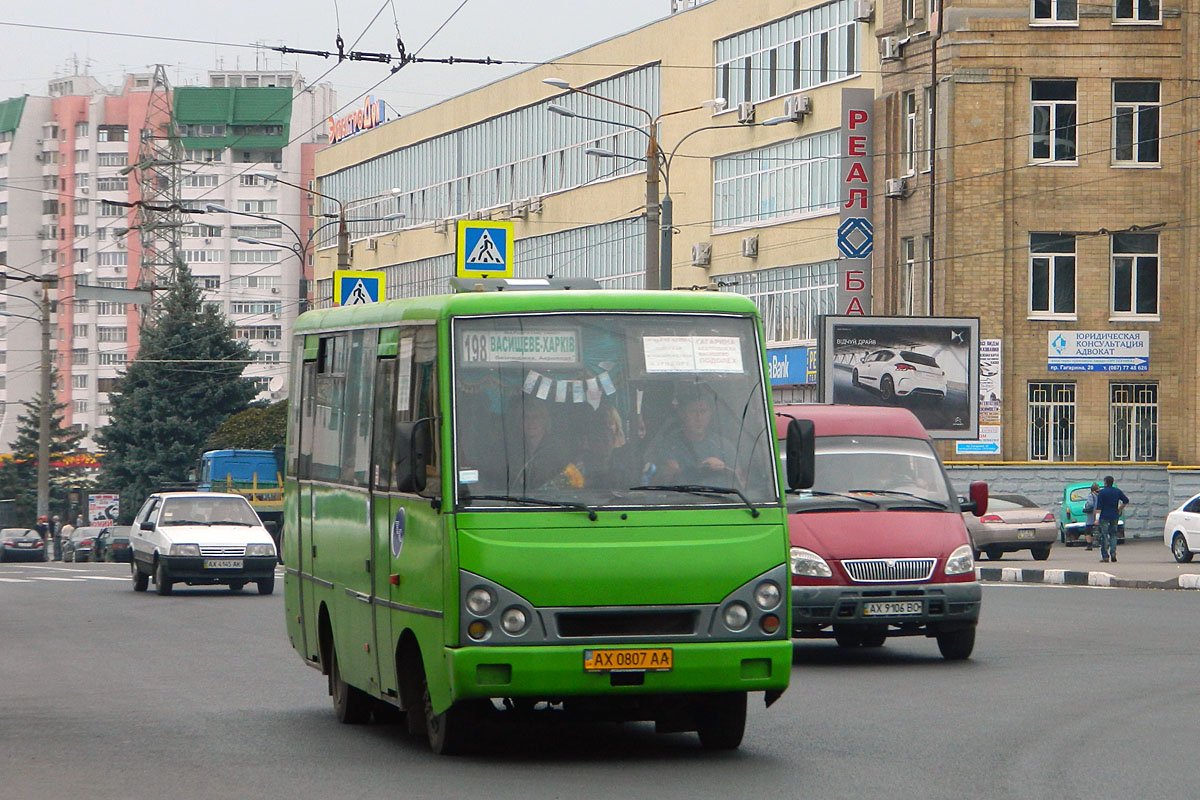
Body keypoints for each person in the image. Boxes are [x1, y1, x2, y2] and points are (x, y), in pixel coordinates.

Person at [642, 392, 737, 485]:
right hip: (682, 499)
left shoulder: (723, 445)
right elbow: (671, 475)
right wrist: (703, 468)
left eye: (703, 411)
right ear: (682, 414)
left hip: (723, 500)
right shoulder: (668, 445)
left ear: (710, 415)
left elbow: (740, 479)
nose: (699, 418)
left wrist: (723, 467)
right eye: (693, 411)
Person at [1094, 475, 1129, 564]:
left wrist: (1097, 519)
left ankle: (1105, 556)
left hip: (1104, 516)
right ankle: (1113, 553)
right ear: (1112, 482)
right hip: (1114, 515)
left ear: (1105, 482)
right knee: (1113, 534)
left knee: (1104, 536)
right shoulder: (1117, 491)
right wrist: (1120, 509)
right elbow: (1126, 500)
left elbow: (1099, 507)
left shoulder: (1102, 493)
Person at [1082, 482, 1100, 551]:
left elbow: (1090, 504)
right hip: (1098, 513)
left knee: (1088, 531)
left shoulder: (1091, 495)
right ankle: (1098, 542)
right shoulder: (1100, 495)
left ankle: (1089, 545)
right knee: (1098, 529)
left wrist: (1085, 506)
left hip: (1091, 515)